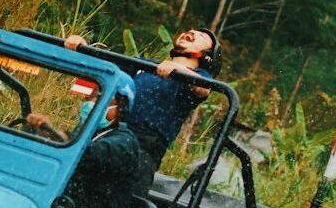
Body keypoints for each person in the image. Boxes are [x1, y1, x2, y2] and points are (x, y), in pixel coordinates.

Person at [64, 28, 222, 174]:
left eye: (201, 36)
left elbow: (203, 88)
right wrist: (83, 48)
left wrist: (178, 70)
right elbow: (106, 69)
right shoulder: (144, 65)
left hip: (143, 149)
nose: (192, 32)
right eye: (190, 30)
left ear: (206, 56)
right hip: (108, 132)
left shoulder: (198, 77)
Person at [31, 74, 148, 208]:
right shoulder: (81, 135)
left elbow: (87, 156)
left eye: (100, 97)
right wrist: (38, 133)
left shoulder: (124, 142)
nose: (90, 103)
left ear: (120, 106)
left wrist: (53, 135)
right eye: (89, 97)